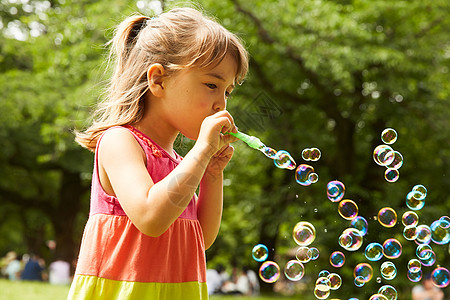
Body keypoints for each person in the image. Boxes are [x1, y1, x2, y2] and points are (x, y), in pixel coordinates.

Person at [68, 6, 248, 300]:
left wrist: (212, 174)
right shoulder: (120, 141)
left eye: (227, 91)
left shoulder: (179, 165)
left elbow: (200, 238)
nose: (221, 105)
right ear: (158, 80)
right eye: (212, 85)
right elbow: (151, 217)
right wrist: (201, 152)